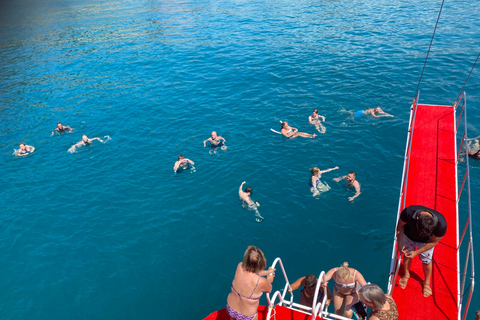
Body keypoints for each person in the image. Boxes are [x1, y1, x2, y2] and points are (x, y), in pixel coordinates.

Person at [396, 205, 447, 298]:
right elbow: (400, 226)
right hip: (408, 236)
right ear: (417, 218)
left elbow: (434, 242)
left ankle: (426, 282)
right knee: (406, 255)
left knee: (426, 261)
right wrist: (399, 244)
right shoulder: (408, 213)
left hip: (426, 242)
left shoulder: (441, 224)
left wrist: (416, 252)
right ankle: (406, 275)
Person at [226, 246, 275, 320]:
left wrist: (267, 272)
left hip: (231, 308)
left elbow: (251, 273)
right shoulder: (261, 281)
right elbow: (269, 289)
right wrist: (269, 278)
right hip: (247, 315)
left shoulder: (239, 266)